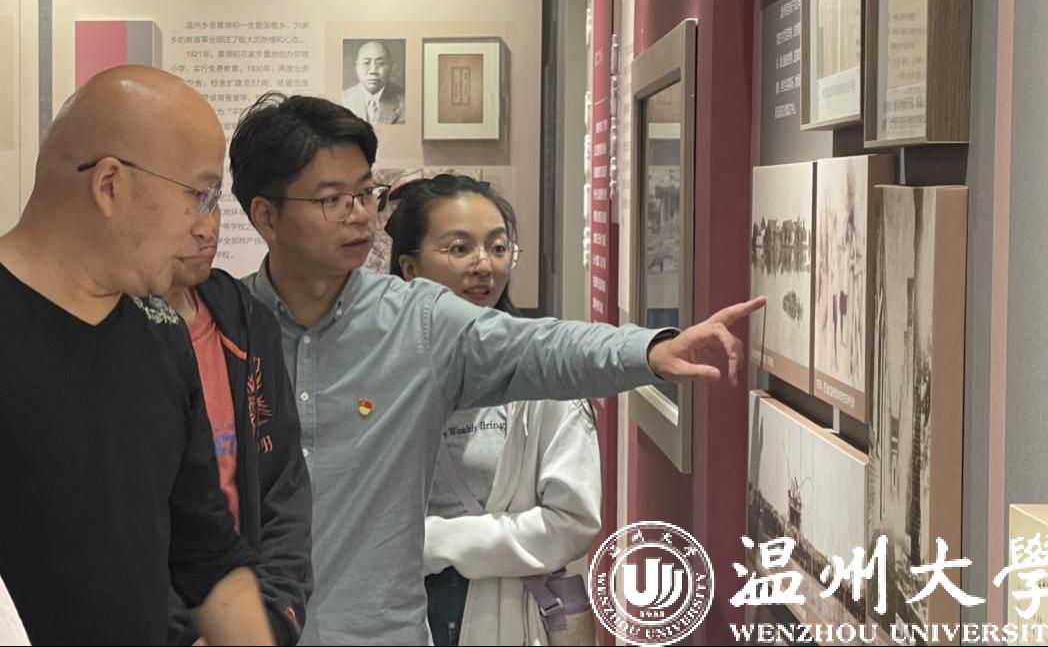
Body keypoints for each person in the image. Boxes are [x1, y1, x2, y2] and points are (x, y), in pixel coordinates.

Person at [228, 91, 764, 645]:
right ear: (266, 215)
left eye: (364, 192)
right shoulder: (223, 328)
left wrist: (649, 351)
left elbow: (537, 347)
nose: (359, 214)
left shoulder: (418, 320)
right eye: (331, 200)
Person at [0, 66, 273, 645]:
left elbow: (206, 553)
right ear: (110, 185)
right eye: (199, 195)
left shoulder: (160, 334)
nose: (208, 227)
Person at [387, 175, 601, 645]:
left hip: (507, 617)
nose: (484, 265)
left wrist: (431, 543)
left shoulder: (543, 374)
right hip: (390, 613)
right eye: (459, 248)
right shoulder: (376, 372)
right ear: (409, 266)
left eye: (498, 247)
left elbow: (570, 522)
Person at [162, 205, 314, 645]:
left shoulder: (246, 320)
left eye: (213, 200)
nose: (207, 228)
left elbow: (282, 488)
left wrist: (268, 618)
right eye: (190, 197)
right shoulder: (105, 332)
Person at [341, 41, 405, 125]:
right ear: (357, 67)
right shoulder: (342, 100)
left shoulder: (406, 101)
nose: (373, 71)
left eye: (381, 63)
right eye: (366, 63)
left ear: (391, 66)